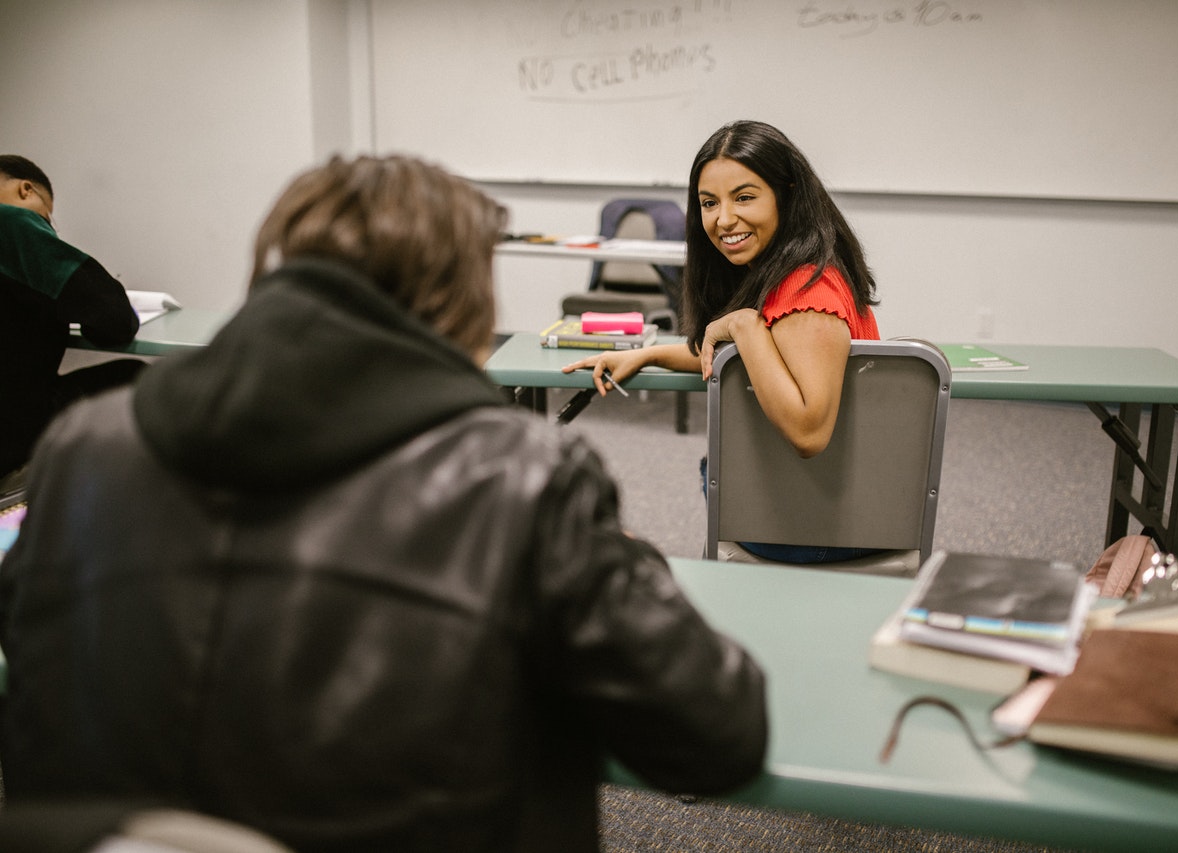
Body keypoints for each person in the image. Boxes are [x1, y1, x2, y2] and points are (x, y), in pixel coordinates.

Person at [0, 155, 768, 852]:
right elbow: (716, 734)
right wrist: (621, 557)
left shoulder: (83, 445)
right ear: (462, 299)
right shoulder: (524, 476)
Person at [563, 120, 881, 563]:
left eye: (745, 197)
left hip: (812, 524)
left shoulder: (808, 293)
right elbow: (760, 362)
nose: (724, 219)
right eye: (709, 203)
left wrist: (745, 325)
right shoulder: (789, 274)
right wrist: (650, 353)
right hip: (817, 509)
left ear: (787, 195)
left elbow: (809, 432)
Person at [0, 155, 144, 480]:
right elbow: (116, 320)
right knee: (135, 377)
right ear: (26, 191)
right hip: (11, 432)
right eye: (46, 218)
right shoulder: (11, 225)